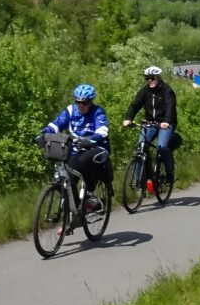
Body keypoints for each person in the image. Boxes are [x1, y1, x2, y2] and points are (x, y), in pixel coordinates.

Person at [39, 84, 111, 219]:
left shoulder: (97, 112)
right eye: (78, 102)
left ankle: (91, 193)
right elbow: (56, 124)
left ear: (91, 102)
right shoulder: (71, 111)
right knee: (68, 178)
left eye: (85, 102)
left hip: (96, 147)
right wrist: (43, 134)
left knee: (83, 161)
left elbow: (102, 129)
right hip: (77, 148)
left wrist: (92, 139)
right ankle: (77, 211)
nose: (81, 105)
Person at [123, 66, 178, 185]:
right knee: (140, 147)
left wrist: (167, 121)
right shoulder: (145, 91)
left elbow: (170, 107)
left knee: (161, 147)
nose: (150, 80)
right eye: (147, 78)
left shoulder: (167, 90)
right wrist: (128, 118)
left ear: (158, 78)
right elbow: (135, 105)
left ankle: (169, 173)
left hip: (166, 123)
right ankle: (141, 180)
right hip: (150, 123)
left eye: (152, 78)